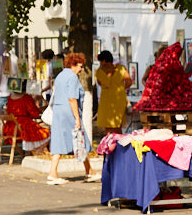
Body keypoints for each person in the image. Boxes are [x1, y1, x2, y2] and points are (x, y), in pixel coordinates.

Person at [46, 52, 96, 185]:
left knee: (59, 140)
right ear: (73, 64)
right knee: (81, 139)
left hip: (58, 112)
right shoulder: (73, 77)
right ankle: (89, 171)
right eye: (80, 66)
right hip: (69, 112)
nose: (82, 69)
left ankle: (53, 172)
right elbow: (72, 98)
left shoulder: (60, 75)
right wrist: (77, 118)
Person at [94, 51, 132, 137]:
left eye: (100, 61)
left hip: (106, 100)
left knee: (108, 127)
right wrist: (121, 89)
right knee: (118, 127)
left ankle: (109, 144)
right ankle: (119, 145)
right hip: (119, 100)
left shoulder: (99, 72)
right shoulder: (121, 68)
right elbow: (129, 81)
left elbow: (99, 83)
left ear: (104, 60)